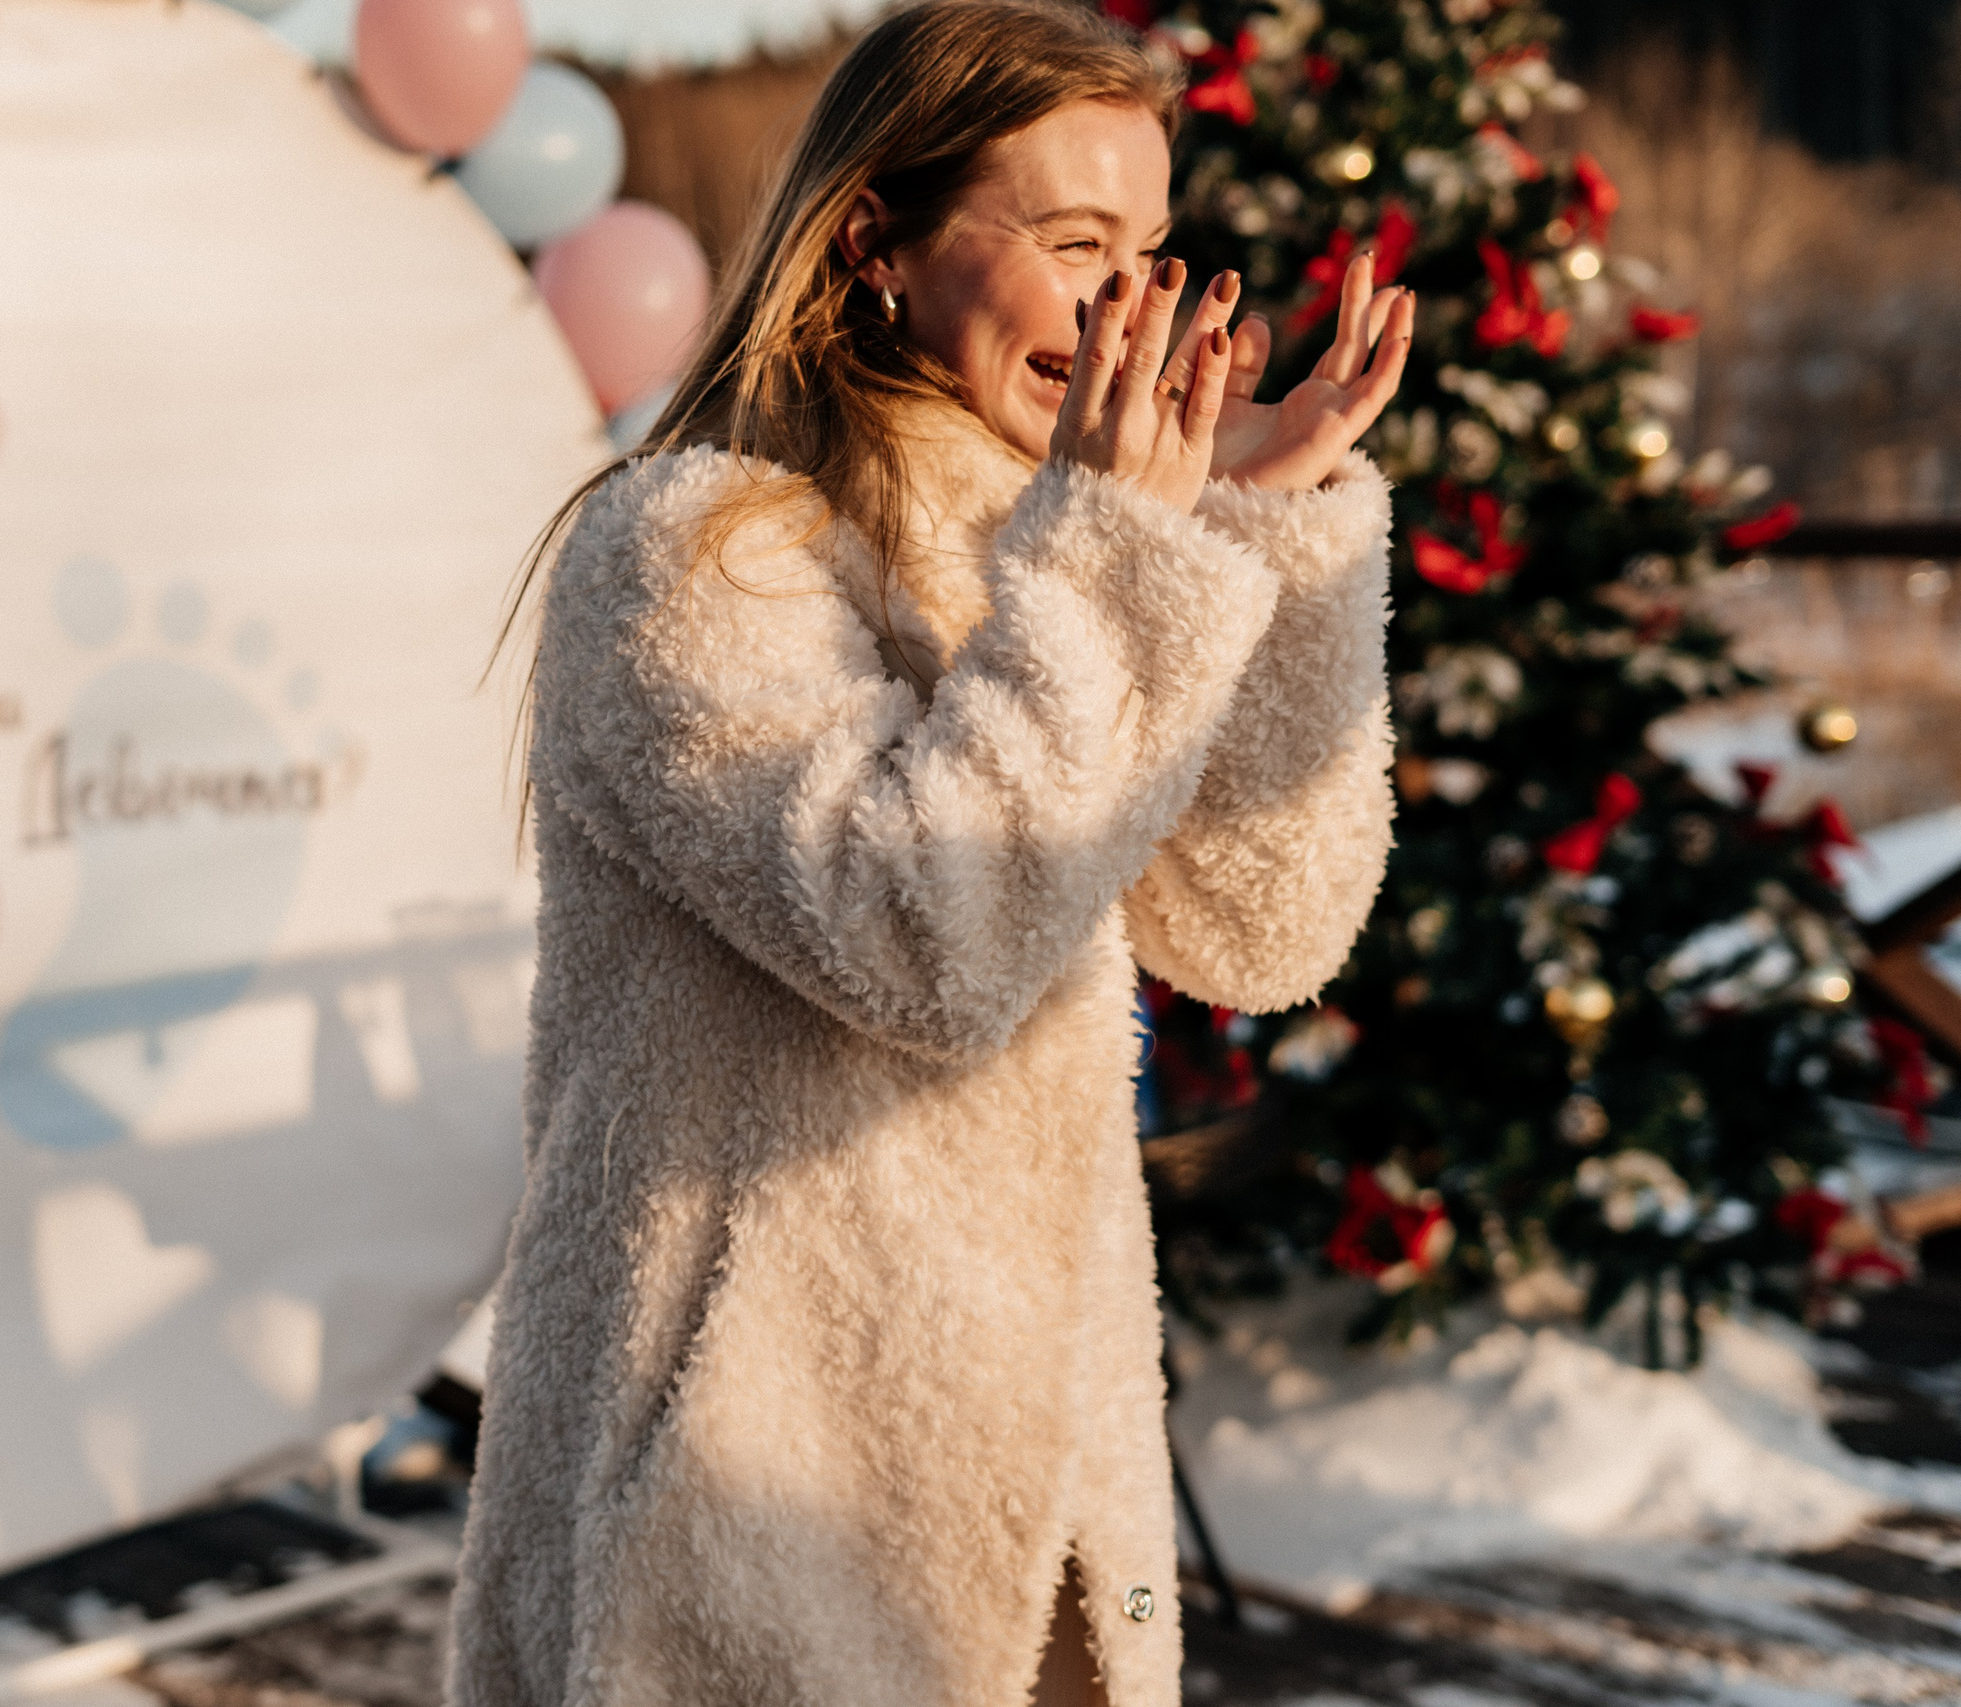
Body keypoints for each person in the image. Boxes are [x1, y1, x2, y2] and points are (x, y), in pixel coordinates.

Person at [450, 3, 1411, 1702]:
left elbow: (1269, 927)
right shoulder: (689, 554)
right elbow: (930, 937)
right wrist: (1127, 548)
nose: (1135, 305)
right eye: (1073, 244)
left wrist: (1249, 527)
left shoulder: (1064, 556)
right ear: (873, 244)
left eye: (1155, 250)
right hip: (751, 1515)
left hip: (1053, 1504)